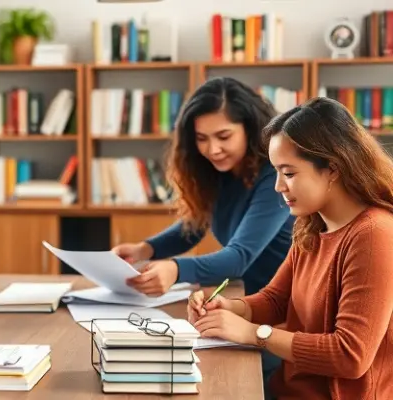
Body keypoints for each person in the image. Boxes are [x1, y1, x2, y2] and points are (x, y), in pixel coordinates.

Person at [188, 97, 393, 399]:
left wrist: (254, 333)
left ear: (333, 169)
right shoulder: (312, 223)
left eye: (290, 173)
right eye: (276, 172)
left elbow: (350, 356)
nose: (278, 187)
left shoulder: (374, 234)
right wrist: (232, 308)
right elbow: (277, 300)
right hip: (289, 389)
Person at [112, 77, 295, 297]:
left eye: (223, 136)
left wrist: (176, 269)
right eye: (201, 138)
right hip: (257, 300)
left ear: (250, 128)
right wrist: (144, 249)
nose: (212, 149)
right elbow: (195, 224)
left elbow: (238, 258)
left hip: (292, 308)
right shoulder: (222, 172)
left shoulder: (275, 177)